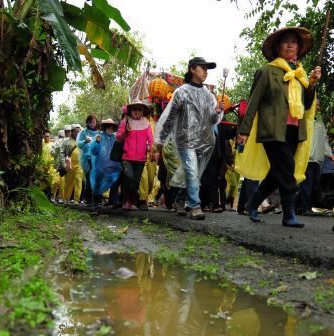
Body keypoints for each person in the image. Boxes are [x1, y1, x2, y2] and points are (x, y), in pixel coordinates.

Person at [236, 26, 322, 227]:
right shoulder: (267, 71)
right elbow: (253, 102)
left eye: (294, 42)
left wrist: (312, 83)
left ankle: (252, 203)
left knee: (277, 173)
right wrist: (244, 132)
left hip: (293, 131)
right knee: (287, 171)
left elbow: (307, 104)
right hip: (272, 130)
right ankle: (288, 215)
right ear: (278, 47)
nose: (290, 45)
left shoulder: (299, 74)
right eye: (286, 42)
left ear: (299, 48)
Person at [155, 57, 224, 220]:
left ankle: (180, 199)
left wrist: (218, 111)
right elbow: (171, 118)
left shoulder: (208, 95)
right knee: (192, 172)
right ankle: (194, 206)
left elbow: (212, 120)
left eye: (208, 69)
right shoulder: (181, 92)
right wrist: (161, 139)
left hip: (205, 141)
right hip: (185, 141)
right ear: (192, 69)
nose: (206, 71)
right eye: (203, 67)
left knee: (194, 174)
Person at [116, 99, 155, 211]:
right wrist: (126, 132)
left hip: (141, 158)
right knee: (129, 178)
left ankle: (130, 201)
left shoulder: (146, 124)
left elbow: (151, 140)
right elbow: (118, 137)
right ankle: (126, 200)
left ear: (142, 111)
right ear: (131, 111)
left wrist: (153, 151)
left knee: (136, 182)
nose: (137, 112)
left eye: (139, 110)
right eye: (135, 109)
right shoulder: (125, 121)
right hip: (127, 157)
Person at [297, 100, 333, 215]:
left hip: (318, 160)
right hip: (307, 159)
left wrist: (331, 154)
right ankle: (305, 208)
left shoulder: (320, 124)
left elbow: (325, 142)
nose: (318, 107)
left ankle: (299, 207)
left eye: (319, 105)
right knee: (306, 184)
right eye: (316, 105)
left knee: (313, 185)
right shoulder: (303, 121)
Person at [89, 118, 122, 207]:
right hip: (101, 167)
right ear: (105, 128)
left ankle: (113, 200)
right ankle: (96, 202)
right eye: (108, 128)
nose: (110, 130)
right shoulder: (98, 137)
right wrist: (97, 142)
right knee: (98, 184)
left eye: (112, 128)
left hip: (113, 167)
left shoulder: (115, 138)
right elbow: (93, 151)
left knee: (115, 181)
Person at [77, 115, 100, 206]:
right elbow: (79, 144)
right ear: (87, 122)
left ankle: (98, 200)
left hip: (97, 160)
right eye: (90, 122)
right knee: (89, 179)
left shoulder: (99, 133)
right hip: (87, 159)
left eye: (93, 122)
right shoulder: (83, 132)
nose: (92, 124)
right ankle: (89, 200)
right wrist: (85, 141)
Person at [59, 124, 83, 204]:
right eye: (75, 132)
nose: (77, 133)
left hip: (80, 165)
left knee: (78, 181)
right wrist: (64, 165)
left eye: (79, 132)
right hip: (69, 165)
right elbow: (61, 153)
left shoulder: (81, 141)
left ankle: (76, 199)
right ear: (72, 132)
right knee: (68, 183)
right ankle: (66, 198)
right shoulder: (66, 142)